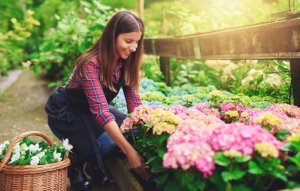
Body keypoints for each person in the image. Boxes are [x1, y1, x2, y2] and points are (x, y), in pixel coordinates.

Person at [45, 10, 149, 191]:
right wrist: (130, 152)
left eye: (136, 42)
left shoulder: (127, 62)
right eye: (128, 41)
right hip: (68, 113)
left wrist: (146, 134)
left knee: (126, 128)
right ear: (112, 37)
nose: (133, 48)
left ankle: (94, 165)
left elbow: (135, 106)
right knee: (108, 144)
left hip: (91, 111)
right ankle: (75, 162)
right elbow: (101, 112)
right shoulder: (90, 63)